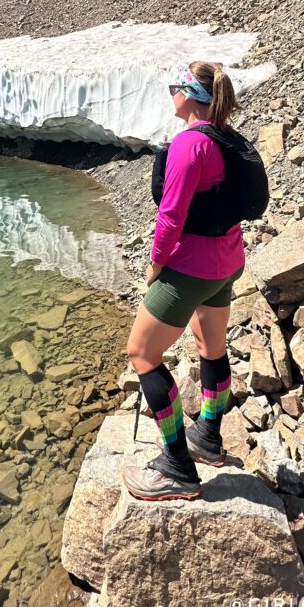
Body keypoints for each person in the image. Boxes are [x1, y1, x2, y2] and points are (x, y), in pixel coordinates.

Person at [122, 60, 245, 501]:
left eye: (175, 86)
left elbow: (170, 217)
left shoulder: (189, 144)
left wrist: (156, 266)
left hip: (192, 267)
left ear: (191, 94)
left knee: (141, 353)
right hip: (229, 260)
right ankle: (208, 436)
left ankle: (177, 466)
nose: (170, 93)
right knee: (210, 344)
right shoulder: (227, 138)